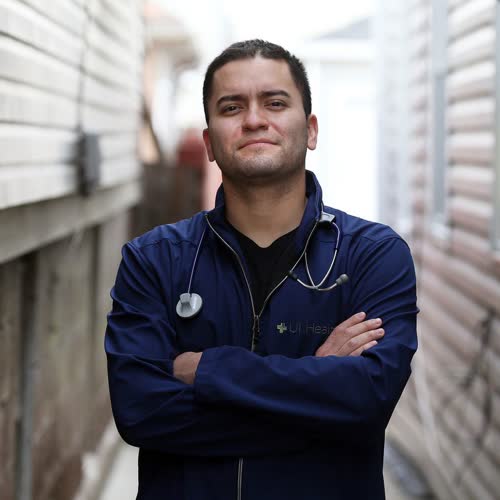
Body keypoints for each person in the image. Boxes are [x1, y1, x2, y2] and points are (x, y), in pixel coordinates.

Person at [105, 39, 418, 500]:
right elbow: (141, 412)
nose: (254, 119)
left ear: (310, 130)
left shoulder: (371, 256)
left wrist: (209, 370)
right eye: (232, 107)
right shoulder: (154, 260)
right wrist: (318, 387)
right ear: (210, 143)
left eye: (275, 102)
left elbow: (367, 400)